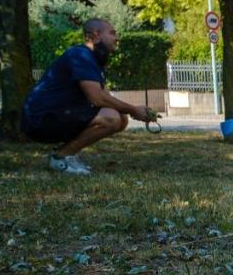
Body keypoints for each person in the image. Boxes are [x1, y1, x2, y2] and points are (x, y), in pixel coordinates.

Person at [21, 18, 156, 175]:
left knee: (121, 119)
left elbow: (104, 95)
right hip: (40, 120)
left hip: (57, 114)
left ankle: (68, 152)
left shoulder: (93, 60)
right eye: (112, 33)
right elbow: (97, 98)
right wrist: (133, 109)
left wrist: (136, 111)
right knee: (111, 118)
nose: (116, 38)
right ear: (96, 35)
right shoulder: (80, 56)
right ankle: (61, 158)